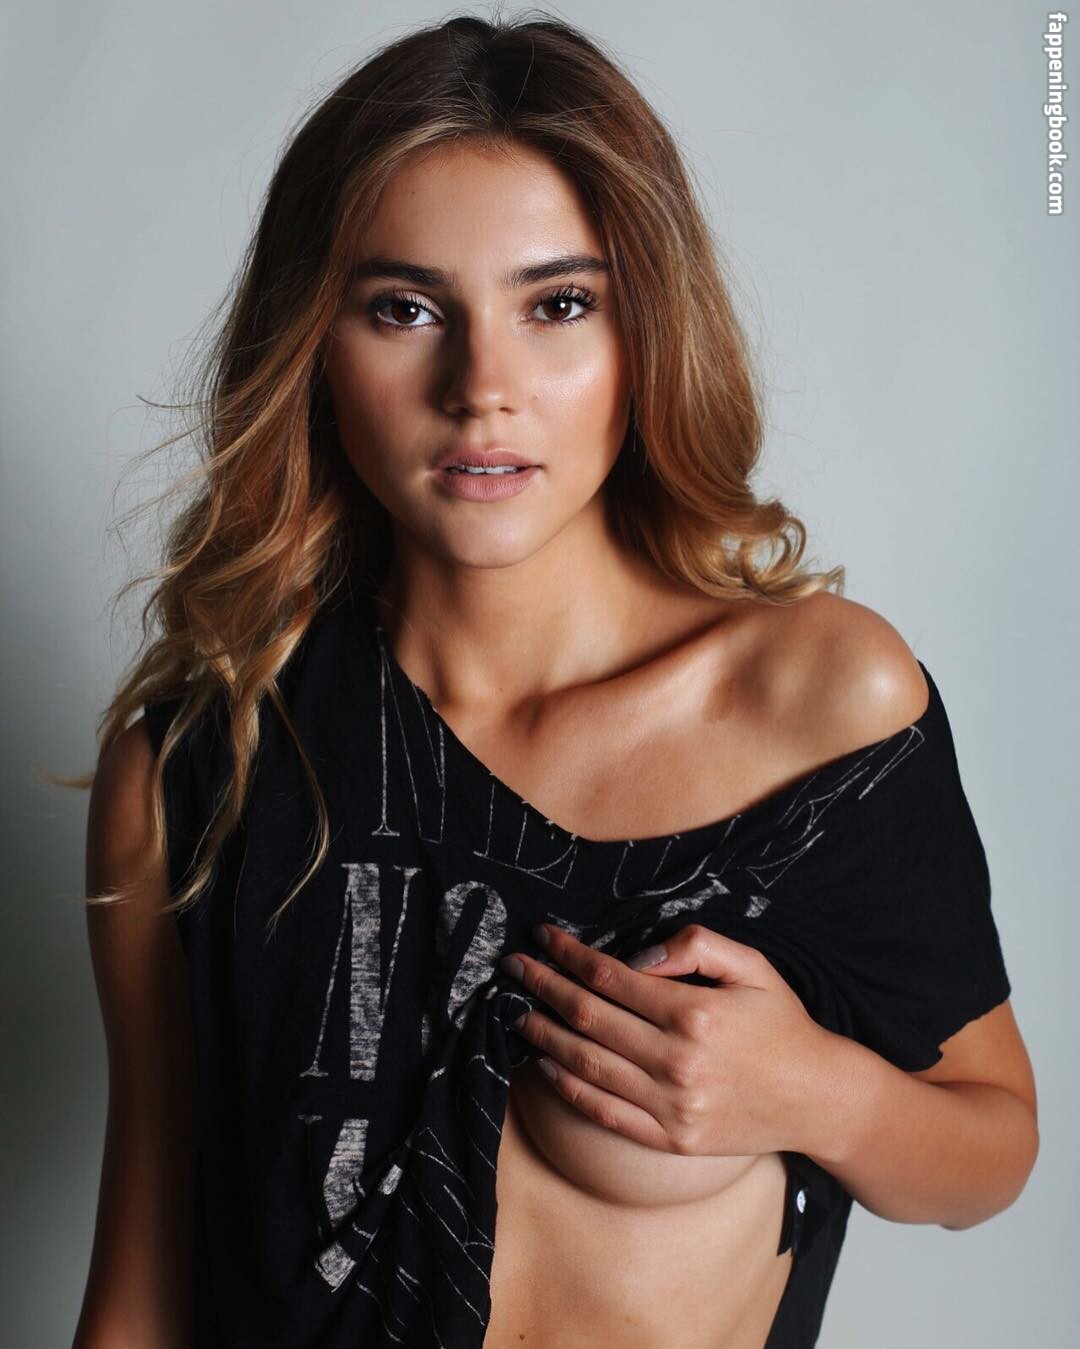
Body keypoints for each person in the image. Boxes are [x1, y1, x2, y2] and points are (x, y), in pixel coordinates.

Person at [73, 11, 1038, 1348]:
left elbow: (993, 1148)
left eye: (559, 304)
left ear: (647, 331)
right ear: (314, 343)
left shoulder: (816, 710)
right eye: (405, 309)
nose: (484, 387)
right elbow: (140, 1297)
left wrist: (818, 1094)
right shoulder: (199, 765)